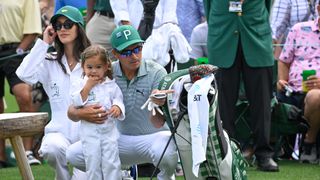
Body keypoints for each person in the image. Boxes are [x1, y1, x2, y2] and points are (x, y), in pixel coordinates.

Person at [66, 25, 178, 180]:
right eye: (126, 52)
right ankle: (123, 172)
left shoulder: (157, 72)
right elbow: (71, 111)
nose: (134, 56)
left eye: (137, 48)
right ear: (115, 54)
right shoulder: (105, 71)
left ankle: (165, 178)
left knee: (167, 148)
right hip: (120, 139)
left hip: (153, 139)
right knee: (73, 154)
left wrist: (157, 105)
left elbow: (158, 123)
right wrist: (82, 113)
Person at [16, 5, 90, 179]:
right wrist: (43, 43)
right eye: (58, 26)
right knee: (52, 148)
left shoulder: (92, 60)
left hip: (87, 135)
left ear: (79, 28)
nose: (62, 29)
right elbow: (24, 74)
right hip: (58, 133)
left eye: (68, 24)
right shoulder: (49, 61)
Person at [204, 0, 279, 172]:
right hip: (221, 37)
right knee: (221, 104)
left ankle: (264, 154)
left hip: (257, 37)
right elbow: (207, 5)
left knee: (262, 102)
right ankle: (225, 153)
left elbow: (267, 4)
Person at [70, 44, 125, 179]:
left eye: (98, 67)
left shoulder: (111, 85)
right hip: (89, 133)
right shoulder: (80, 84)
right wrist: (88, 87)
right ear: (83, 66)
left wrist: (117, 107)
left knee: (111, 162)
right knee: (92, 162)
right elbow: (76, 103)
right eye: (89, 67)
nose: (93, 71)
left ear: (106, 67)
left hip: (109, 132)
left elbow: (118, 99)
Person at [277, 2, 320, 164]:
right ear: (318, 9)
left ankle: (308, 143)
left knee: (316, 96)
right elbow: (283, 61)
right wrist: (282, 80)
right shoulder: (299, 29)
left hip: (316, 96)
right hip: (292, 92)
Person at [0, 0, 42, 166]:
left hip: (16, 49)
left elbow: (32, 29)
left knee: (24, 96)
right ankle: (1, 157)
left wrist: (19, 50)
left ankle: (27, 152)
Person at [109, 0, 178, 29]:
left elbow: (170, 9)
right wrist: (126, 24)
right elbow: (119, 4)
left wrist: (166, 27)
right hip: (131, 25)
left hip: (158, 28)